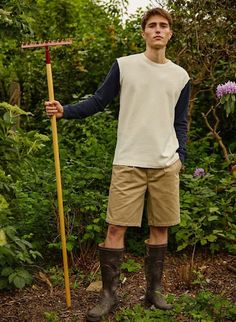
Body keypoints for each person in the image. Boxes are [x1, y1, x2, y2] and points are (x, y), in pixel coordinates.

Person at [45, 7, 190, 322]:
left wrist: (181, 156)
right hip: (128, 161)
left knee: (160, 227)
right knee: (115, 227)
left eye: (163, 26)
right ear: (143, 32)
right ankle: (109, 295)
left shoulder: (181, 76)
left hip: (165, 164)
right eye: (151, 25)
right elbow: (99, 101)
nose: (157, 30)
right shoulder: (125, 66)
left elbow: (181, 121)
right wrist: (65, 111)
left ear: (170, 33)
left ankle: (154, 291)